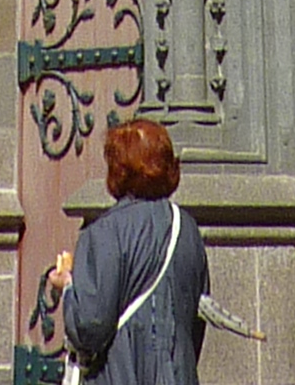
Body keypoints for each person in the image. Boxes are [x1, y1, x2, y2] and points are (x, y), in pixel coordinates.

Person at [50, 116, 211, 383]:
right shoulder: (188, 230)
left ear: (118, 169)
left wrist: (67, 287)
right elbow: (195, 317)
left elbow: (90, 328)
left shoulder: (103, 233)